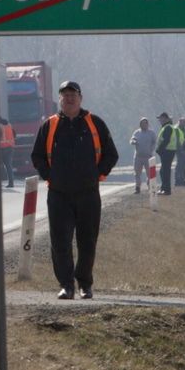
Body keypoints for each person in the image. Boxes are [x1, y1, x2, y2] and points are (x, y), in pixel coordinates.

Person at [30, 81, 118, 300]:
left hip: (88, 194)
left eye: (73, 95)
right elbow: (37, 156)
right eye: (65, 95)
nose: (69, 99)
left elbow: (111, 154)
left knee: (87, 242)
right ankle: (66, 285)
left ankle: (85, 284)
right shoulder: (49, 125)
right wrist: (49, 175)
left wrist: (98, 174)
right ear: (59, 99)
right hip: (59, 195)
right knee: (60, 242)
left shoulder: (94, 123)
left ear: (80, 98)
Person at [155, 112, 182, 195]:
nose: (159, 120)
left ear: (165, 119)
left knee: (165, 171)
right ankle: (164, 188)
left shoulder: (167, 128)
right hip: (169, 150)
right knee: (163, 170)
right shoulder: (168, 127)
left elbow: (166, 140)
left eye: (161, 118)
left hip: (167, 151)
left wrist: (159, 150)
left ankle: (166, 190)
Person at [129, 117, 156, 194]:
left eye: (145, 123)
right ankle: (137, 187)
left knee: (150, 173)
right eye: (142, 123)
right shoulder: (137, 132)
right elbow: (131, 140)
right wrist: (134, 141)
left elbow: (154, 142)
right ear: (140, 124)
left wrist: (151, 150)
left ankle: (150, 186)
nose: (144, 125)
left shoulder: (151, 133)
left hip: (148, 156)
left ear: (148, 124)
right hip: (138, 156)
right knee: (137, 173)